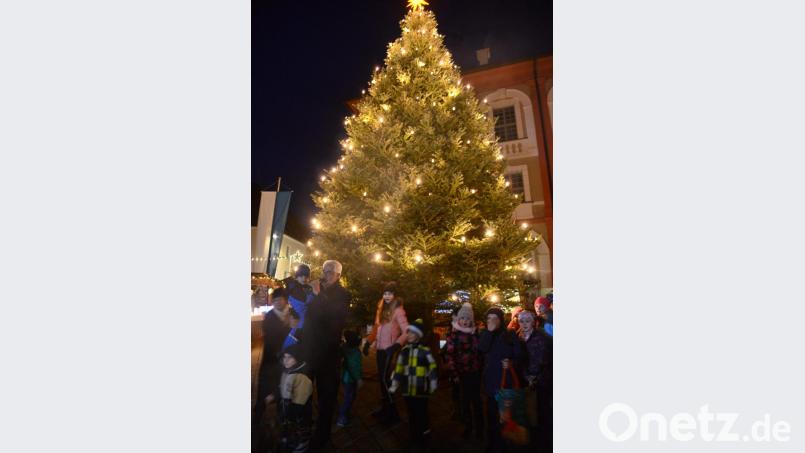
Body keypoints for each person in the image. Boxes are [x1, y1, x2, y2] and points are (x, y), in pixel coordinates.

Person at [304, 260, 350, 449]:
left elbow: (335, 319)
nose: (326, 274)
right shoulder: (316, 289)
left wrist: (318, 295)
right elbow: (310, 316)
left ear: (339, 275)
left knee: (327, 395)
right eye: (325, 270)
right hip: (311, 349)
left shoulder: (344, 294)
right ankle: (305, 427)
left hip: (329, 354)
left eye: (331, 272)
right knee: (304, 390)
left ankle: (322, 434)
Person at [479, 306, 525, 453]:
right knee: (491, 416)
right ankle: (491, 443)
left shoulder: (510, 335)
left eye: (495, 318)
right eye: (489, 318)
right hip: (491, 383)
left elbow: (520, 356)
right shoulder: (486, 334)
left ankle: (503, 444)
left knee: (505, 415)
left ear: (501, 320)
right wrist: (489, 332)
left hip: (505, 383)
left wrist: (512, 362)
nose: (491, 321)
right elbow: (482, 349)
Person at [362, 283, 409, 423]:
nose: (387, 296)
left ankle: (393, 413)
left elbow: (406, 330)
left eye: (390, 293)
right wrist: (369, 342)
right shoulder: (381, 308)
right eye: (385, 293)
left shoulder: (399, 311)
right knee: (382, 380)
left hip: (389, 349)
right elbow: (377, 328)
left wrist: (396, 345)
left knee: (384, 379)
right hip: (380, 349)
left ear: (395, 295)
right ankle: (385, 408)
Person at [389, 319, 438, 450]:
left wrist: (433, 381)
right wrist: (395, 383)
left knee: (421, 412)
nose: (409, 335)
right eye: (408, 333)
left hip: (421, 389)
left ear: (418, 335)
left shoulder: (425, 351)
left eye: (412, 333)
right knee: (411, 413)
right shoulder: (404, 351)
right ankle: (414, 436)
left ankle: (424, 433)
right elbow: (399, 368)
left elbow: (432, 366)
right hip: (407, 390)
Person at [444, 302, 484, 440]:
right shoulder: (453, 335)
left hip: (475, 373)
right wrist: (454, 373)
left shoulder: (476, 334)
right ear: (458, 319)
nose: (466, 321)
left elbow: (481, 352)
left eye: (468, 319)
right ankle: (468, 426)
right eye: (463, 318)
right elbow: (449, 356)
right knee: (465, 402)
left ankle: (480, 429)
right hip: (461, 374)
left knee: (477, 401)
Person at [265, 343, 313, 453]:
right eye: (284, 357)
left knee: (300, 436)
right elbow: (282, 387)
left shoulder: (302, 378)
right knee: (289, 433)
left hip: (299, 416)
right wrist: (274, 395)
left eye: (290, 357)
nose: (286, 360)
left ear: (298, 358)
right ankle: (288, 441)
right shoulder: (287, 371)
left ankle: (301, 446)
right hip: (287, 411)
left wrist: (289, 416)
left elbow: (299, 403)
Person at [254, 288, 292, 428]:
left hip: (287, 362)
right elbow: (271, 337)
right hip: (270, 361)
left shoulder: (292, 315)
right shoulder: (269, 317)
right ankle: (256, 420)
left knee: (283, 391)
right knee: (263, 392)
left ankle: (282, 420)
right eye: (274, 300)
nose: (276, 302)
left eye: (279, 299)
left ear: (285, 300)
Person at [336, 329, 363, 428]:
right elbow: (355, 367)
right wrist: (358, 379)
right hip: (351, 379)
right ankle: (342, 417)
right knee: (349, 397)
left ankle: (345, 413)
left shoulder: (344, 348)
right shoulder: (355, 352)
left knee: (349, 396)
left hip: (345, 377)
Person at [285, 264, 315, 329]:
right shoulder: (290, 287)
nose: (304, 278)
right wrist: (291, 312)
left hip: (307, 323)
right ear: (297, 277)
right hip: (294, 322)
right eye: (301, 276)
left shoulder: (311, 289)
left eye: (306, 276)